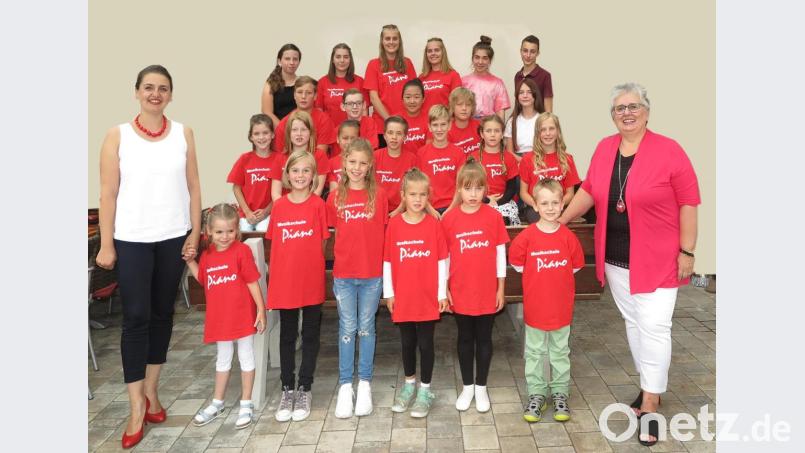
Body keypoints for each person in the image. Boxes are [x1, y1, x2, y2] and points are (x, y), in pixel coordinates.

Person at [558, 83, 700, 446]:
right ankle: (647, 384)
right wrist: (559, 221)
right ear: (612, 116)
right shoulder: (606, 148)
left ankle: (651, 403)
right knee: (634, 323)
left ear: (647, 111)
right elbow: (589, 190)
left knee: (654, 326)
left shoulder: (670, 150)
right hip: (617, 259)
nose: (627, 113)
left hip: (658, 258)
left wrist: (687, 250)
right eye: (620, 108)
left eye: (633, 106)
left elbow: (688, 202)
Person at [96, 65, 201, 449]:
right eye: (149, 88)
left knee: (162, 316)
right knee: (135, 319)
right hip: (132, 240)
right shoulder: (117, 136)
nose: (156, 94)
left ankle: (152, 392)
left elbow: (193, 186)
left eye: (163, 88)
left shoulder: (183, 134)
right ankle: (135, 406)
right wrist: (107, 244)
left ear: (171, 95)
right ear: (137, 92)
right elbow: (107, 194)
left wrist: (194, 232)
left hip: (172, 238)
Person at [184, 204, 267, 430]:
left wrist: (260, 309)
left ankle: (246, 403)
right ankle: (218, 402)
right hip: (220, 317)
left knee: (246, 356)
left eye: (230, 231)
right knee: (223, 358)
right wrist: (191, 261)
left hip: (242, 316)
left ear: (237, 230)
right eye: (219, 232)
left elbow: (252, 281)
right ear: (209, 231)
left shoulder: (241, 251)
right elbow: (203, 279)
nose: (225, 236)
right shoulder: (208, 254)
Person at [509, 179, 585, 424]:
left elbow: (574, 267)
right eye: (544, 203)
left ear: (562, 204)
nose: (550, 207)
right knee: (534, 353)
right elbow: (518, 264)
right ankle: (537, 394)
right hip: (536, 309)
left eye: (555, 202)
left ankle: (560, 392)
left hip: (561, 310)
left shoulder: (568, 238)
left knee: (560, 352)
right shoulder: (526, 237)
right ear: (535, 205)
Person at [265, 150, 330, 422]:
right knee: (288, 335)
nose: (300, 176)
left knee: (311, 334)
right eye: (295, 171)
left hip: (310, 279)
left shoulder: (318, 205)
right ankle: (287, 388)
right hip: (286, 282)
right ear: (287, 175)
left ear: (313, 176)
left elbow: (323, 242)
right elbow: (274, 243)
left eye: (306, 171)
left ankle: (305, 386)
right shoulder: (279, 206)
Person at [327, 139, 390, 419]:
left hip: (371, 275)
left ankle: (364, 383)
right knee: (346, 328)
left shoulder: (380, 195)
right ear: (344, 163)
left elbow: (385, 234)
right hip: (344, 275)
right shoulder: (334, 198)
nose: (357, 168)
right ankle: (344, 385)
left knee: (366, 328)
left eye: (363, 163)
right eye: (352, 162)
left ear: (370, 166)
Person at [441, 159, 508, 413]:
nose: (473, 194)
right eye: (467, 188)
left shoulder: (493, 216)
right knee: (465, 338)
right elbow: (444, 257)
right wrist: (444, 288)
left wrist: (500, 288)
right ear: (459, 189)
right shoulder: (449, 219)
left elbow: (500, 253)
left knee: (484, 338)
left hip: (486, 289)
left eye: (478, 188)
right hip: (460, 289)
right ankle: (467, 386)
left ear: (485, 189)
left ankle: (481, 387)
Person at [384, 168, 449, 418]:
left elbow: (442, 260)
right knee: (407, 342)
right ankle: (409, 385)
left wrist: (442, 293)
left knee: (426, 343)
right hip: (403, 297)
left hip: (427, 296)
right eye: (412, 194)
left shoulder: (433, 225)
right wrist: (390, 293)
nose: (418, 199)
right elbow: (388, 261)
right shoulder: (395, 225)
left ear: (428, 196)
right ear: (403, 195)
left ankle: (425, 390)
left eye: (422, 194)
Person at [519, 113, 581, 224]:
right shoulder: (527, 159)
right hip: (535, 209)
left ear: (558, 131)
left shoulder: (567, 159)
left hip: (559, 208)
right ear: (538, 133)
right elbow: (523, 193)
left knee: (559, 223)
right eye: (543, 130)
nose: (548, 133)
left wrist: (556, 205)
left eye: (551, 129)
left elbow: (570, 194)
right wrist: (537, 204)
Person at [364, 24, 417, 145]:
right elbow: (373, 97)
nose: (391, 42)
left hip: (405, 125)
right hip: (382, 126)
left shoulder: (407, 63)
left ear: (399, 41)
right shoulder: (373, 65)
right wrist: (390, 121)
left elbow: (414, 93)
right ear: (382, 41)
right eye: (387, 38)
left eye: (395, 38)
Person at [227, 114, 278, 232]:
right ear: (251, 137)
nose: (261, 137)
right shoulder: (244, 159)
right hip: (246, 215)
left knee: (262, 231)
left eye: (265, 133)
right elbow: (236, 188)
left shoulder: (279, 159)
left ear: (272, 135)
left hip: (269, 213)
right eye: (256, 134)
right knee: (243, 235)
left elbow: (282, 191)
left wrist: (266, 212)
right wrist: (247, 212)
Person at [413, 105, 465, 215]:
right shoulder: (421, 153)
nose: (439, 129)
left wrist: (450, 210)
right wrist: (430, 210)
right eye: (435, 125)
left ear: (450, 125)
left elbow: (461, 185)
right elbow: (419, 186)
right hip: (428, 208)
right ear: (429, 127)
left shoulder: (459, 153)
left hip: (453, 207)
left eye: (443, 125)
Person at [469, 115, 520, 225]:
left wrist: (497, 203)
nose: (492, 135)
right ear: (482, 134)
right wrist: (486, 200)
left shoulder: (509, 158)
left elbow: (512, 188)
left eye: (497, 131)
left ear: (502, 134)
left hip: (503, 203)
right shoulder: (473, 158)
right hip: (478, 201)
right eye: (488, 131)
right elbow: (469, 187)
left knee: (500, 222)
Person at [270, 110, 330, 199]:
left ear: (310, 133)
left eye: (303, 130)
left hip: (310, 208)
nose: (299, 134)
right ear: (289, 133)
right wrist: (286, 209)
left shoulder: (319, 156)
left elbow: (317, 190)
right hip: (285, 209)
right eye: (294, 130)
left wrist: (302, 208)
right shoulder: (280, 158)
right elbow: (275, 193)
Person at [272, 76, 336, 156]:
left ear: (315, 96)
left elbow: (321, 154)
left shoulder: (324, 120)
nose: (303, 97)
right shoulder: (285, 122)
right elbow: (279, 155)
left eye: (308, 93)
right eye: (299, 92)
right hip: (291, 165)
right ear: (294, 95)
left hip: (315, 165)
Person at [316, 43, 368, 126]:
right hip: (330, 132)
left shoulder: (360, 81)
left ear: (350, 60)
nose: (342, 60)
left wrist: (362, 130)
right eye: (338, 57)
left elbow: (364, 111)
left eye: (346, 57)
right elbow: (319, 111)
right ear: (332, 60)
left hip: (354, 132)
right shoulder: (322, 82)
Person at [461, 36, 510, 121]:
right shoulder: (463, 81)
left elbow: (500, 113)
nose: (480, 62)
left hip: (489, 127)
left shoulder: (497, 83)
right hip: (468, 126)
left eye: (485, 58)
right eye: (477, 57)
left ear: (490, 61)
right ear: (472, 58)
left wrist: (498, 130)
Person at [375, 116, 418, 212]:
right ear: (384, 135)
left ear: (405, 137)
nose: (394, 137)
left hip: (404, 210)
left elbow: (414, 189)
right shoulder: (375, 157)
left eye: (399, 133)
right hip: (378, 209)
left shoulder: (412, 159)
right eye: (390, 133)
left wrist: (399, 210)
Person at [504, 78, 545, 162]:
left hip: (539, 161)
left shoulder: (543, 119)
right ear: (517, 97)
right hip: (518, 163)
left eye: (529, 92)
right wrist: (524, 162)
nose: (525, 96)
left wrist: (533, 162)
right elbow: (509, 152)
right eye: (521, 92)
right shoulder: (512, 122)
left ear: (535, 95)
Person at [330, 89, 379, 157]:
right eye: (350, 104)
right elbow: (337, 157)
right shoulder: (338, 130)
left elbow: (371, 149)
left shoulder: (370, 123)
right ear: (343, 106)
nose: (355, 107)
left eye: (358, 103)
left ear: (364, 105)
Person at [418, 37, 462, 113]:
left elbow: (457, 103)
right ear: (426, 54)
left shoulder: (453, 75)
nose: (433, 53)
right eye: (429, 51)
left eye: (437, 50)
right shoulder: (421, 77)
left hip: (443, 122)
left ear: (443, 52)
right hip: (424, 122)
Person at [262, 44, 302, 126]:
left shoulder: (302, 83)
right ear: (279, 61)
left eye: (295, 59)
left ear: (299, 61)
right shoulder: (270, 84)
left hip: (299, 131)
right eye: (287, 59)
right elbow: (267, 112)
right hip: (278, 130)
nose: (292, 62)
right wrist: (284, 130)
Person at [514, 35, 553, 112]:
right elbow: (518, 105)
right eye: (525, 51)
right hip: (522, 122)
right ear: (520, 51)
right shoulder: (517, 76)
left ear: (537, 53)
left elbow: (548, 111)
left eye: (532, 51)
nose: (528, 55)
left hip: (539, 122)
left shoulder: (545, 75)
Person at [396, 78, 430, 155]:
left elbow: (429, 149)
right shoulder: (396, 120)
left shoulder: (429, 119)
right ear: (402, 99)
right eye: (408, 97)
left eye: (416, 97)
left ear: (423, 99)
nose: (412, 101)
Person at [327, 120, 360, 191]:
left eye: (353, 138)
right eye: (345, 138)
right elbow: (333, 191)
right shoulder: (331, 163)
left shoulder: (363, 161)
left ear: (358, 140)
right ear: (338, 139)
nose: (349, 142)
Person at [447, 87, 481, 155]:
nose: (464, 108)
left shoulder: (480, 126)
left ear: (473, 107)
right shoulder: (447, 129)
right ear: (452, 107)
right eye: (459, 104)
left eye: (468, 105)